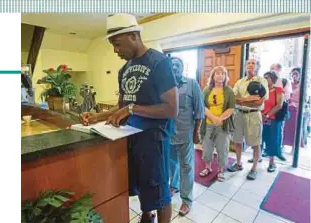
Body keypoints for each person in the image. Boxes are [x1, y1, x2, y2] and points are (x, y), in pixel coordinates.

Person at [80, 13, 177, 223]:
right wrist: (98, 115)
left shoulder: (159, 63)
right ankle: (146, 216)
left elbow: (171, 109)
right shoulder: (124, 70)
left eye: (117, 44)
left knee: (159, 191)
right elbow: (122, 107)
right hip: (130, 138)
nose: (115, 51)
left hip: (154, 141)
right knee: (141, 184)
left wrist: (133, 109)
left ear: (133, 35)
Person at [168, 56, 204, 216]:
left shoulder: (191, 84)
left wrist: (196, 132)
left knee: (187, 167)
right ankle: (173, 186)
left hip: (185, 133)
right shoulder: (164, 86)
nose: (174, 67)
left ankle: (186, 200)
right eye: (172, 65)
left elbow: (199, 111)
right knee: (172, 164)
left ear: (182, 68)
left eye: (177, 65)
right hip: (168, 135)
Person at [228, 58, 269, 181]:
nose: (250, 65)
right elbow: (233, 98)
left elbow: (260, 101)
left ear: (257, 67)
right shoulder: (240, 82)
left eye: (253, 63)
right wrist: (250, 99)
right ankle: (238, 163)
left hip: (254, 115)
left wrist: (242, 100)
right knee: (237, 140)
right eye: (248, 63)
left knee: (255, 143)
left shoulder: (262, 81)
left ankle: (254, 168)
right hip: (239, 114)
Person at [199, 66, 235, 182]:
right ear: (213, 76)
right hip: (208, 124)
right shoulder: (206, 90)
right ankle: (208, 167)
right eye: (217, 73)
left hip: (223, 126)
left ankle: (220, 170)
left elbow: (231, 108)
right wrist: (213, 117)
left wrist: (220, 118)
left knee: (222, 149)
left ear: (225, 76)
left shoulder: (229, 90)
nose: (220, 76)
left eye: (223, 74)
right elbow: (202, 106)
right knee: (207, 148)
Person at [261, 71, 284, 172]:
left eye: (268, 77)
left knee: (272, 141)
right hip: (261, 118)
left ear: (273, 79)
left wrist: (267, 115)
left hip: (273, 120)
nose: (265, 79)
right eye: (264, 77)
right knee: (260, 139)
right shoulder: (262, 91)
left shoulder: (278, 90)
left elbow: (279, 105)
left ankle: (272, 162)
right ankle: (257, 157)